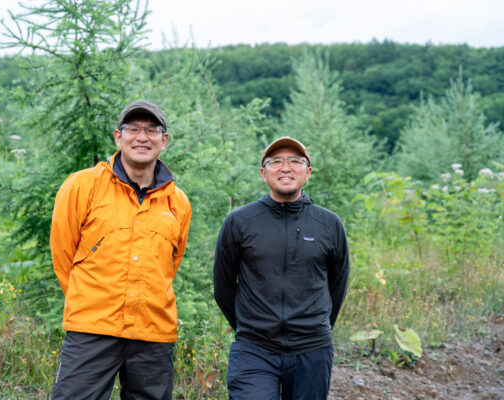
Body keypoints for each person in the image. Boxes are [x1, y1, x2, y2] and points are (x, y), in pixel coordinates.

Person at [49, 100, 192, 399]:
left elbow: (170, 264)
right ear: (118, 137)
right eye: (133, 129)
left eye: (152, 129)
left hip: (154, 334)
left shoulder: (178, 202)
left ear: (163, 141)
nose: (142, 137)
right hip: (92, 330)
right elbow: (63, 255)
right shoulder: (82, 186)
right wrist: (90, 301)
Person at [213, 136, 349, 400]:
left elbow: (337, 285)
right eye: (276, 161)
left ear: (307, 172)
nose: (285, 167)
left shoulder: (329, 224)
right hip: (255, 347)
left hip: (312, 348)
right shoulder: (240, 221)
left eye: (295, 161)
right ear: (264, 173)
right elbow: (224, 287)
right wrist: (249, 326)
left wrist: (313, 325)